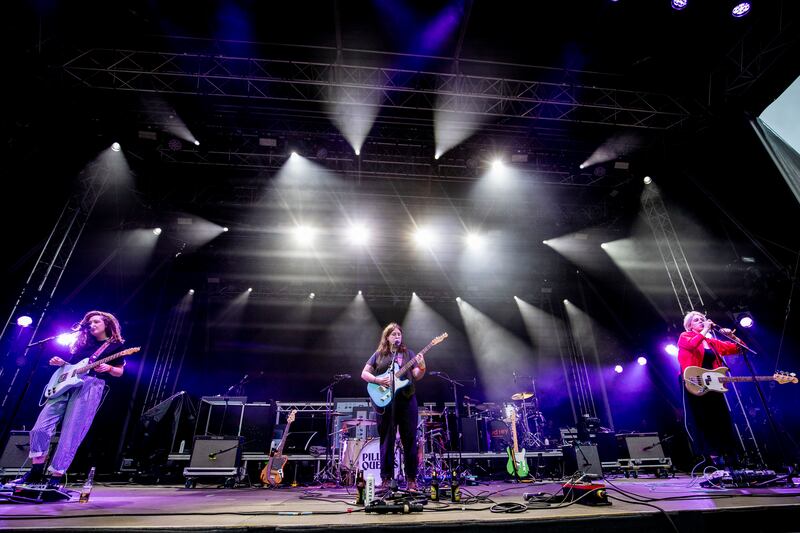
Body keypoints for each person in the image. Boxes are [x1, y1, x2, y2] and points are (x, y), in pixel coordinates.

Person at [12, 310, 128, 488]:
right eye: (89, 323)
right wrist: (61, 363)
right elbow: (73, 365)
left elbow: (119, 372)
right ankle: (35, 472)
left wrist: (108, 368)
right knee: (40, 428)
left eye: (96, 322)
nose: (92, 325)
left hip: (89, 386)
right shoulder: (82, 342)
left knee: (72, 432)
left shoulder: (115, 346)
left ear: (107, 324)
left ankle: (55, 478)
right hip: (64, 384)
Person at [361, 322, 427, 491]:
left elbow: (417, 376)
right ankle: (386, 479)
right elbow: (364, 373)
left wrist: (422, 365)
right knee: (387, 440)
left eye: (399, 334)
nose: (397, 337)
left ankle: (411, 479)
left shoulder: (408, 354)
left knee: (410, 440)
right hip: (386, 403)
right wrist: (378, 380)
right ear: (387, 337)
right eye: (394, 334)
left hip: (407, 400)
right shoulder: (379, 355)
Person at [677, 310, 743, 468]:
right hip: (695, 382)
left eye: (703, 319)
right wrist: (706, 329)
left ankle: (728, 455)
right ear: (689, 325)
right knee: (703, 419)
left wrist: (732, 336)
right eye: (697, 320)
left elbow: (739, 349)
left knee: (721, 418)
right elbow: (693, 345)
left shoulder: (713, 342)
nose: (701, 321)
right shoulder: (685, 336)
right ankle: (709, 456)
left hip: (713, 384)